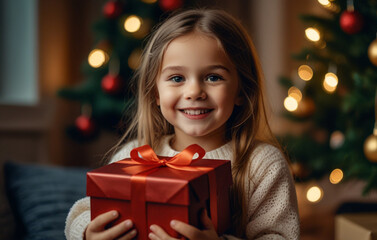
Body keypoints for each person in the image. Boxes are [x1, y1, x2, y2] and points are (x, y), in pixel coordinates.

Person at [65, 9, 299, 240]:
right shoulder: (137, 154)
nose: (194, 91)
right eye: (177, 78)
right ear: (155, 92)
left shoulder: (262, 164)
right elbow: (85, 211)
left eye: (213, 77)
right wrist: (87, 232)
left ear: (242, 90)